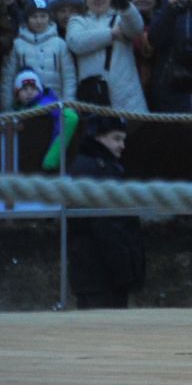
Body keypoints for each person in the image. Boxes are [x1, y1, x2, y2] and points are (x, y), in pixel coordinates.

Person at [67, 116, 145, 309]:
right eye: (117, 138)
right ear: (98, 137)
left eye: (123, 139)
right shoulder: (97, 170)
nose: (122, 145)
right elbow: (106, 226)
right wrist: (124, 271)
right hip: (101, 274)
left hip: (95, 274)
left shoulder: (97, 168)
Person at [66, 0, 148, 111]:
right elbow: (76, 43)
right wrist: (112, 34)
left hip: (128, 96)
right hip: (94, 96)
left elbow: (136, 28)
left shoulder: (121, 16)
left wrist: (125, 5)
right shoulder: (78, 21)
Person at [0, 0, 76, 110]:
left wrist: (68, 104)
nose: (39, 21)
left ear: (49, 17)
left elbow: (69, 76)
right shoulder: (17, 45)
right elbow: (8, 77)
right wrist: (7, 109)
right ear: (27, 19)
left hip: (55, 104)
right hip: (24, 107)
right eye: (34, 17)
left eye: (43, 16)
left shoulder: (60, 44)